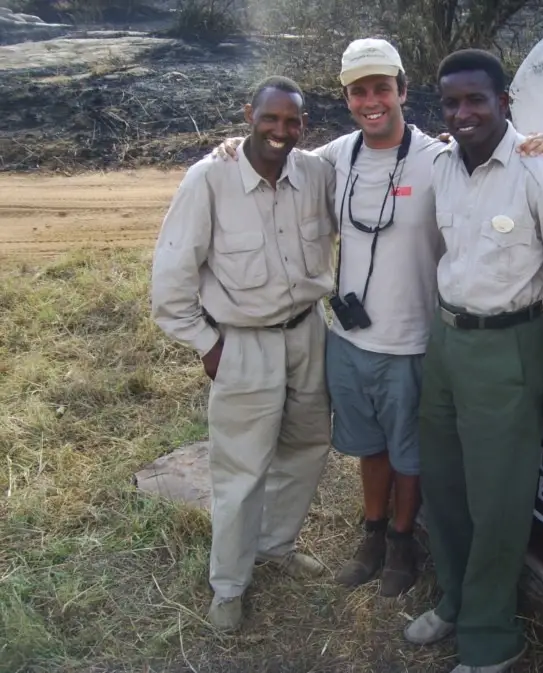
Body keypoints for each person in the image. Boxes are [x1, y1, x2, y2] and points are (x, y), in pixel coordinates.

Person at [212, 38, 543, 598]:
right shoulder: (332, 159)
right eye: (358, 91)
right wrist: (236, 143)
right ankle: (372, 533)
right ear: (347, 98)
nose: (371, 100)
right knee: (368, 448)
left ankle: (404, 540)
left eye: (382, 88)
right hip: (348, 341)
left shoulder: (441, 157)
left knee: (410, 453)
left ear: (402, 90)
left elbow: (501, 169)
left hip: (416, 340)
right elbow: (273, 154)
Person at [402, 49, 543, 673]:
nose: (463, 113)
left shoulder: (541, 176)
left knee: (498, 500)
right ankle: (457, 600)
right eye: (452, 102)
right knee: (444, 481)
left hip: (509, 349)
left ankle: (492, 639)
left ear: (504, 104)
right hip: (448, 343)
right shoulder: (443, 167)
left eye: (476, 101)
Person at [150, 75, 337, 632]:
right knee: (241, 468)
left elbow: (376, 158)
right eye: (270, 118)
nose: (280, 131)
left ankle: (276, 546)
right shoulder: (209, 179)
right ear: (247, 115)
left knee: (307, 447)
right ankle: (228, 586)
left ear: (303, 126)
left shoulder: (317, 173)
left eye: (292, 121)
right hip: (244, 344)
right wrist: (209, 347)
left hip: (308, 332)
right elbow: (171, 282)